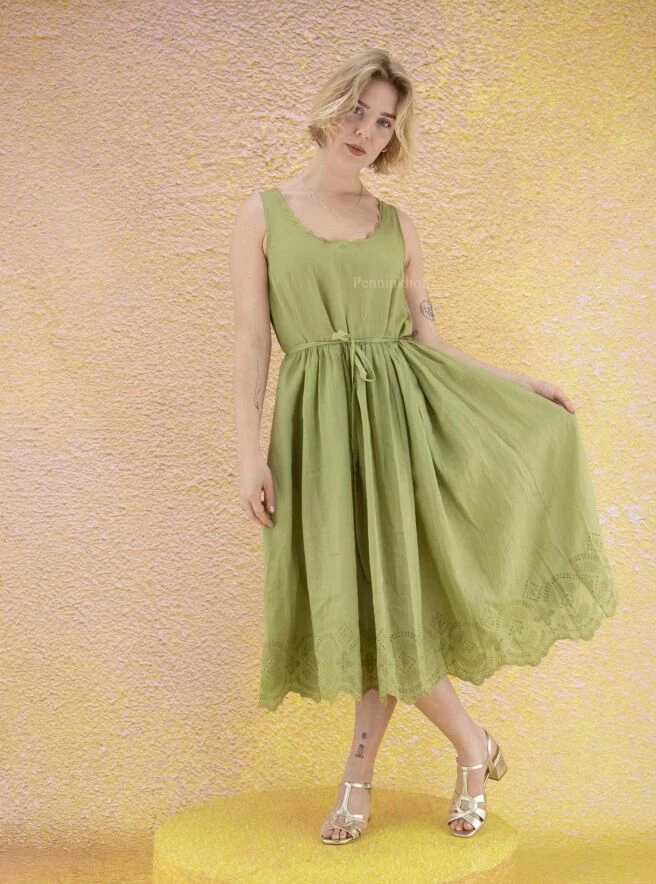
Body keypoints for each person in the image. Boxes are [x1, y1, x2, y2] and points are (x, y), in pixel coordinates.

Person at [230, 49, 617, 843]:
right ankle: (471, 747)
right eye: (358, 110)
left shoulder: (398, 227)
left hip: (399, 430)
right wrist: (247, 453)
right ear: (331, 107)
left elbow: (429, 344)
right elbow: (250, 342)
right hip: (315, 435)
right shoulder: (260, 217)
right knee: (364, 608)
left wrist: (515, 385)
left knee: (391, 609)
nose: (367, 131)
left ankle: (365, 779)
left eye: (384, 122)